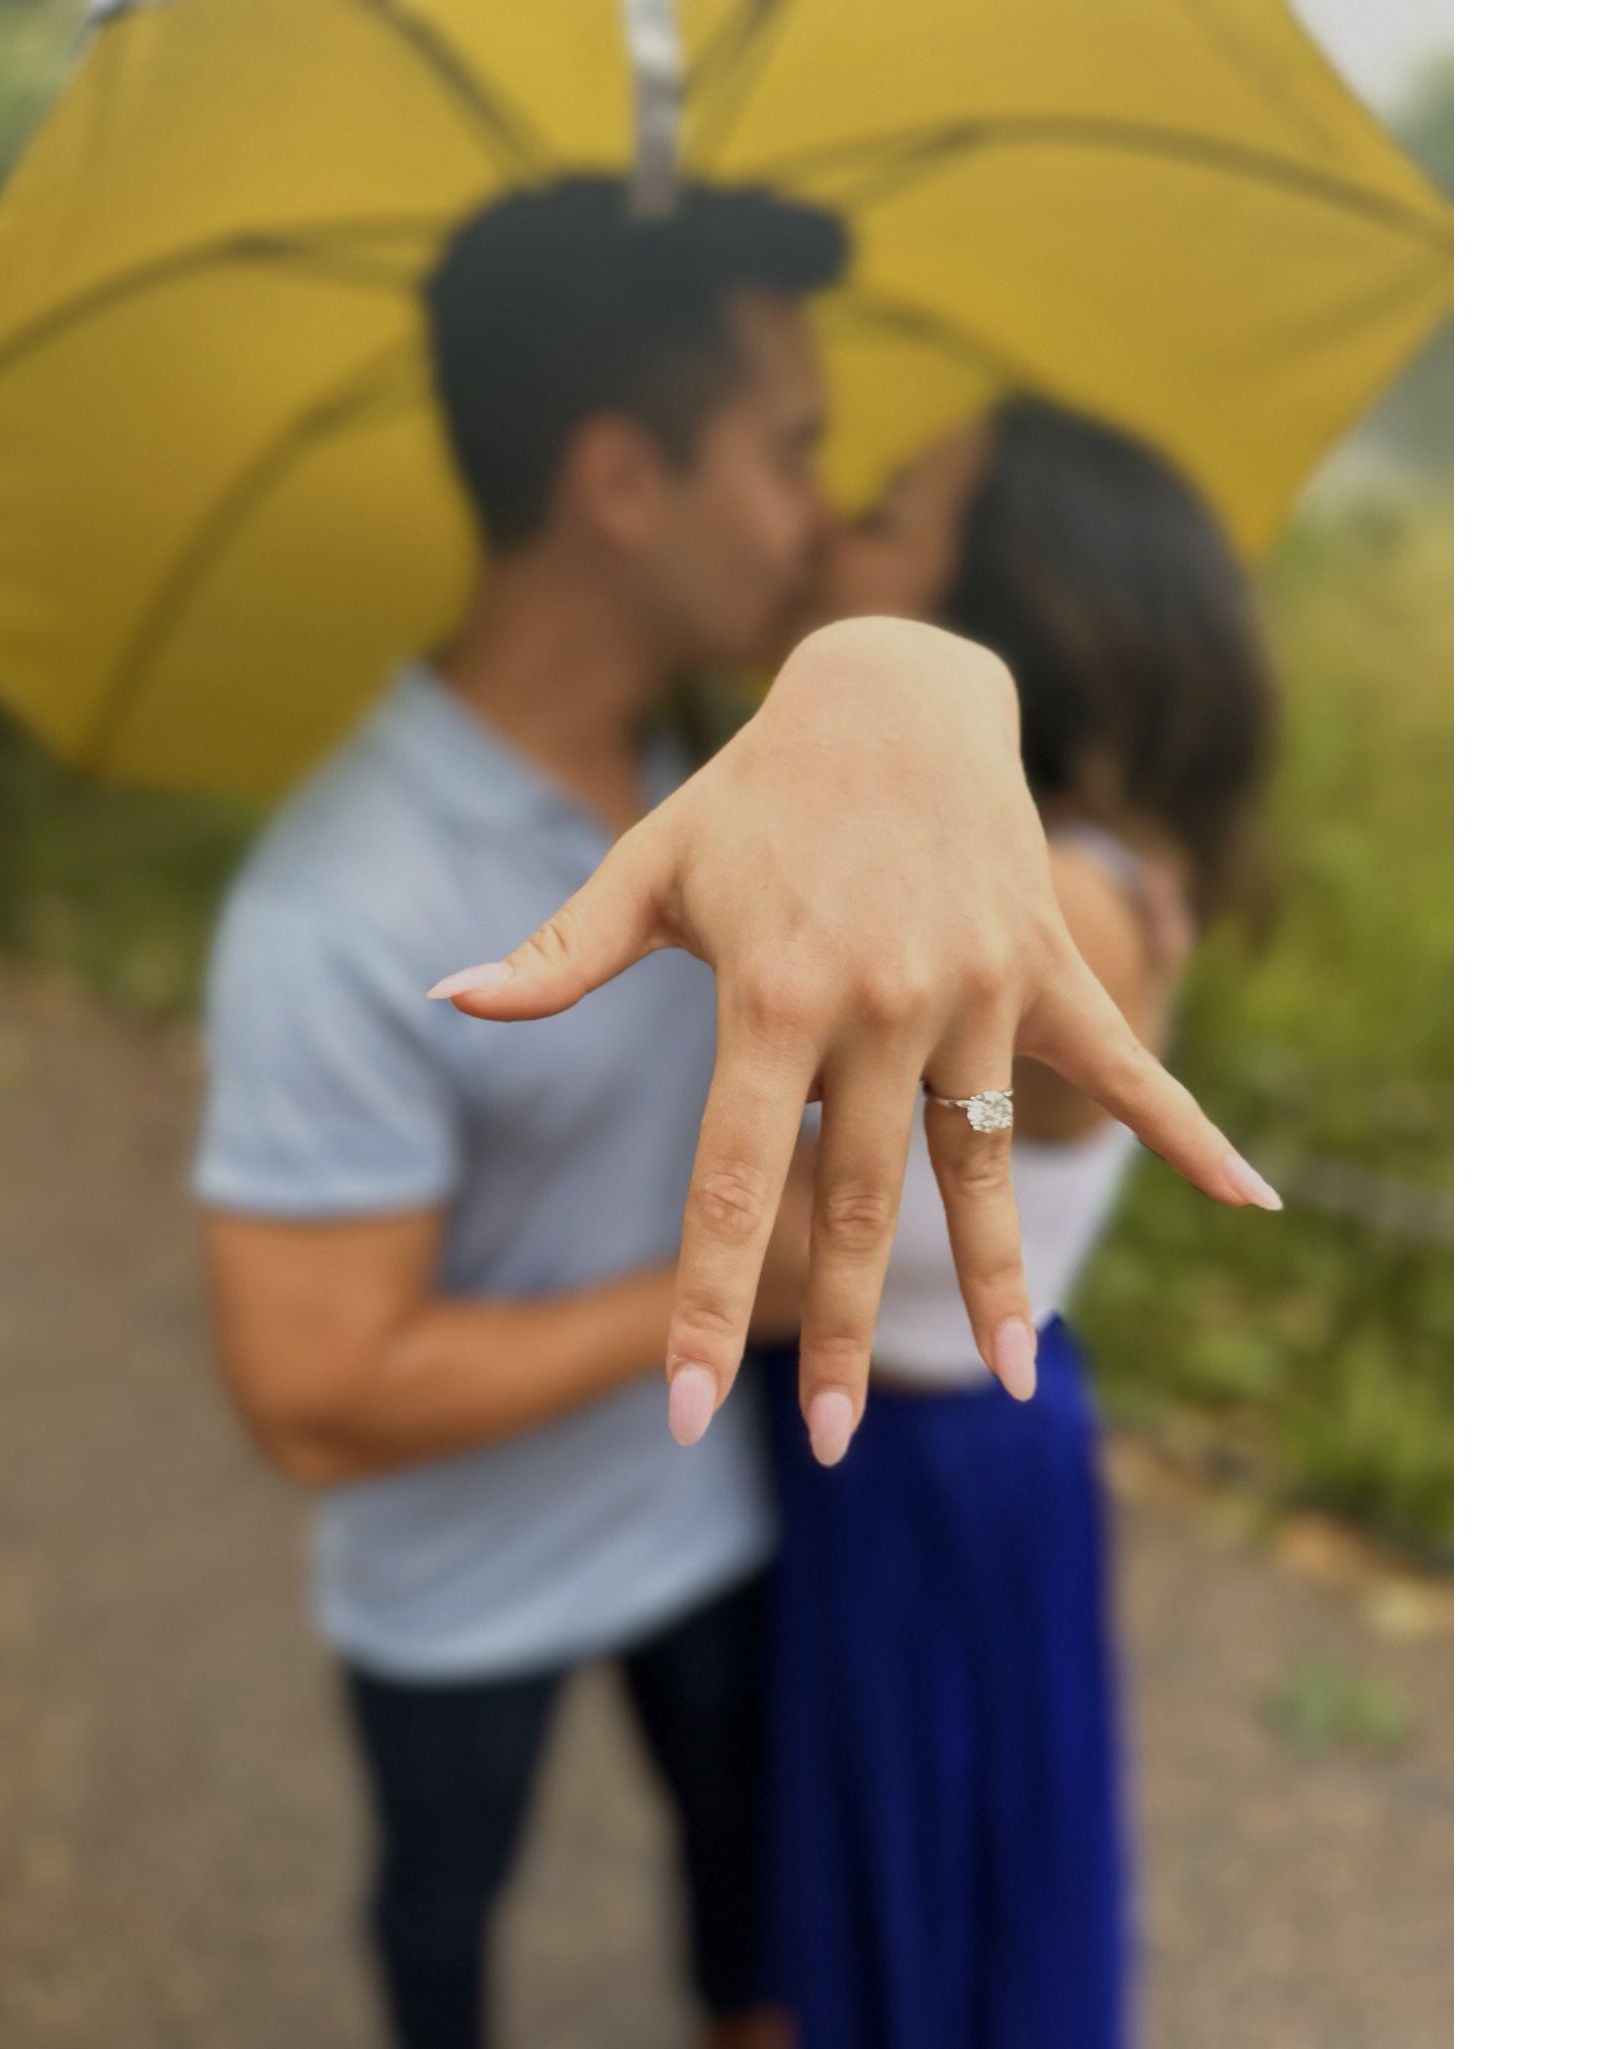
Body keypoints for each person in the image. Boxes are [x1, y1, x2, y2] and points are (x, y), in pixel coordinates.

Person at [195, 174, 1275, 2049]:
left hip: (765, 1511)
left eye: (871, 500)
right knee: (463, 1926)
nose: (816, 529)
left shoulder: (815, 799)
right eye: (801, 460)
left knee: (823, 1934)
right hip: (574, 1538)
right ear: (624, 484)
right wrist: (753, 1291)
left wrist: (901, 673)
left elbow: (998, 898)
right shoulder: (350, 901)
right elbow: (305, 1385)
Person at [762, 396, 1279, 2049]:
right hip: (897, 1449)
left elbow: (786, 1255)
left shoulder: (1054, 900)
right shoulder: (1021, 859)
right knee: (894, 1887)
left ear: (1013, 608)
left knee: (940, 1904)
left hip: (931, 1472)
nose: (843, 536)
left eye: (893, 515)